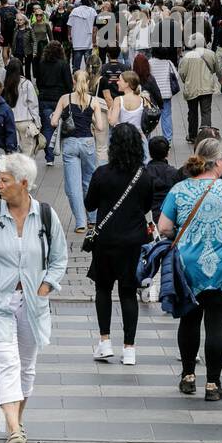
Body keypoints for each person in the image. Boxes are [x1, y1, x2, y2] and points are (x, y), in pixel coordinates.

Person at [0, 153, 68, 443]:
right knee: (6, 361)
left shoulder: (46, 215)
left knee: (27, 367)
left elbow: (59, 258)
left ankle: (15, 422)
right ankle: (12, 428)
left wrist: (46, 286)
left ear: (23, 184)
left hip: (33, 302)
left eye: (4, 180)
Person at [158, 138, 222, 400]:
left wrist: (182, 236)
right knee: (217, 321)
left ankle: (188, 377)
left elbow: (164, 227)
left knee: (189, 319)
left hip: (188, 266)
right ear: (219, 162)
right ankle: (213, 384)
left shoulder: (179, 189)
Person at [85, 123, 154, 365]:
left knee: (103, 289)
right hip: (134, 240)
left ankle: (104, 342)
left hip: (105, 240)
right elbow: (146, 205)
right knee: (128, 292)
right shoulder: (143, 176)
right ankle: (130, 349)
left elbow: (90, 203)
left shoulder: (102, 174)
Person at [51, 69, 104, 234]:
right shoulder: (93, 101)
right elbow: (101, 127)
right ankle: (93, 219)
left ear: (73, 82)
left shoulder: (64, 99)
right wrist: (92, 119)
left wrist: (60, 118)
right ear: (88, 82)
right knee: (89, 182)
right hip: (88, 143)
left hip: (70, 144)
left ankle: (80, 222)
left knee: (73, 185)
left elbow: (53, 122)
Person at [179, 32, 222, 144]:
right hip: (206, 87)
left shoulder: (187, 56)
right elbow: (216, 69)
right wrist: (220, 79)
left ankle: (192, 135)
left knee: (192, 113)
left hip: (191, 88)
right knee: (206, 111)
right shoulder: (211, 54)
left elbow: (182, 73)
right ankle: (206, 135)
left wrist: (186, 80)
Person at [108, 70, 154, 161]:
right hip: (139, 137)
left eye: (120, 80)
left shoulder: (118, 100)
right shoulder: (143, 99)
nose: (117, 82)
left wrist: (109, 113)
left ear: (127, 84)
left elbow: (112, 121)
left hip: (122, 139)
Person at [3, 60, 42, 158]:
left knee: (13, 151)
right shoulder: (27, 83)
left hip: (10, 120)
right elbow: (33, 105)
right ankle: (25, 171)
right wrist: (37, 122)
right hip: (25, 121)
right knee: (27, 152)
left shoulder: (5, 84)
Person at [146, 48, 181, 144]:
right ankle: (167, 139)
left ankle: (147, 137)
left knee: (149, 116)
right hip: (166, 94)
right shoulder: (168, 62)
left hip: (153, 94)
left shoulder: (149, 63)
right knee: (166, 116)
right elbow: (176, 76)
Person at [145, 134, 183, 222]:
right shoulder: (175, 173)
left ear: (150, 153)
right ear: (167, 153)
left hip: (148, 217)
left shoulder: (143, 174)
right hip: (168, 216)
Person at [67, 0, 97, 73]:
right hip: (88, 41)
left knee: (76, 66)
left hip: (77, 41)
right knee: (88, 66)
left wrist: (69, 35)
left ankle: (76, 80)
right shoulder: (92, 11)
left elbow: (69, 24)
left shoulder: (74, 11)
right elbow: (94, 27)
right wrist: (94, 40)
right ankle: (89, 81)